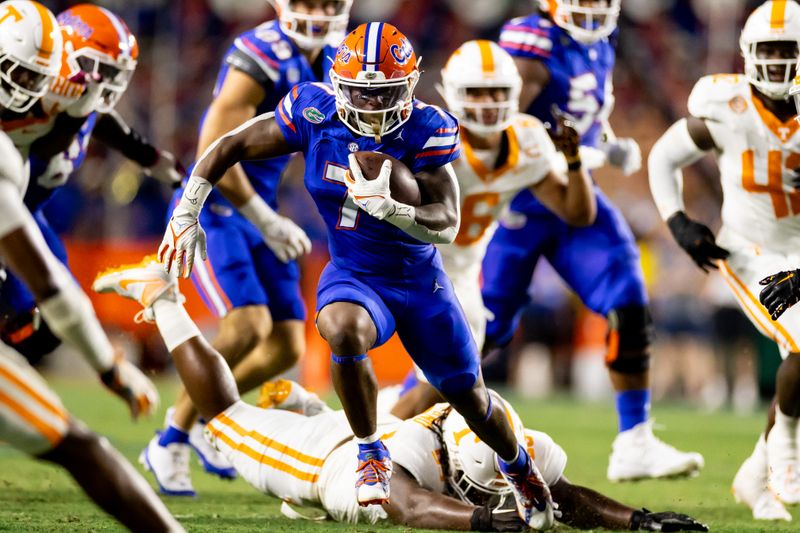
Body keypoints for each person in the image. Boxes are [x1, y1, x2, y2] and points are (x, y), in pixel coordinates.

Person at [153, 22, 557, 528]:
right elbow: (230, 142)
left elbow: (447, 222)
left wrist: (392, 209)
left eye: (383, 93)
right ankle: (370, 451)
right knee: (341, 328)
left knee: (469, 396)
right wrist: (187, 210)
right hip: (355, 273)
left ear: (409, 85)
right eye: (361, 94)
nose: (370, 107)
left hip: (419, 281)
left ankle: (519, 468)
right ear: (340, 86)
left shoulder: (428, 128)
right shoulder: (314, 110)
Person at [93, 258, 708, 532]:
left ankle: (307, 403)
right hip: (336, 463)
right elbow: (407, 507)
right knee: (226, 415)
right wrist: (488, 523)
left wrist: (639, 522)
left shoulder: (500, 444)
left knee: (417, 395)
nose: (503, 491)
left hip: (382, 423)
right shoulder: (416, 461)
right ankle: (165, 300)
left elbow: (565, 498)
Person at [479, 0, 704, 482]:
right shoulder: (533, 41)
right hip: (522, 199)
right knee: (479, 331)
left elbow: (578, 115)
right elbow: (501, 123)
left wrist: (602, 144)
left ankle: (635, 440)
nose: (592, 7)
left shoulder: (601, 40)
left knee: (629, 301)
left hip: (578, 190)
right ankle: (399, 419)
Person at [141, 0, 352, 496]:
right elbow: (215, 147)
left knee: (286, 345)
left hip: (263, 210)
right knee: (247, 324)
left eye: (328, 3)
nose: (319, 12)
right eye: (308, 2)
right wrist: (265, 218)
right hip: (216, 206)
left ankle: (208, 414)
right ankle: (173, 435)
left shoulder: (338, 56)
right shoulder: (264, 52)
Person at [0, 2, 181, 531]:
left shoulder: (66, 105)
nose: (26, 94)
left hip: (23, 223)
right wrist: (109, 367)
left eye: (37, 79)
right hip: (17, 226)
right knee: (77, 443)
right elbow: (54, 289)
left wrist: (146, 156)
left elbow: (95, 114)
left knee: (42, 338)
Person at [649, 0, 800, 520]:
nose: (779, 62)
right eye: (770, 51)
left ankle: (754, 476)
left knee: (798, 364)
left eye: (790, 51)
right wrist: (677, 219)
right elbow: (665, 155)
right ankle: (784, 450)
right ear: (748, 55)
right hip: (750, 251)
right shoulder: (727, 105)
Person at [390, 39, 596, 418]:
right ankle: (369, 447)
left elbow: (576, 212)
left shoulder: (528, 139)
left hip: (463, 270)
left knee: (451, 380)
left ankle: (386, 430)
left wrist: (573, 160)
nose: (486, 103)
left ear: (515, 93)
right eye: (476, 92)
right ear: (450, 94)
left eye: (497, 92)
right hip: (411, 260)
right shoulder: (429, 135)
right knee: (448, 375)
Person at [0, 3, 183, 366]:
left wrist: (148, 157)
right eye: (98, 67)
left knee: (53, 322)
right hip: (10, 214)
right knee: (35, 312)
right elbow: (46, 144)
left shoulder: (77, 102)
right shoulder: (28, 95)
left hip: (30, 215)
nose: (106, 81)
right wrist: (76, 113)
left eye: (115, 72)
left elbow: (99, 120)